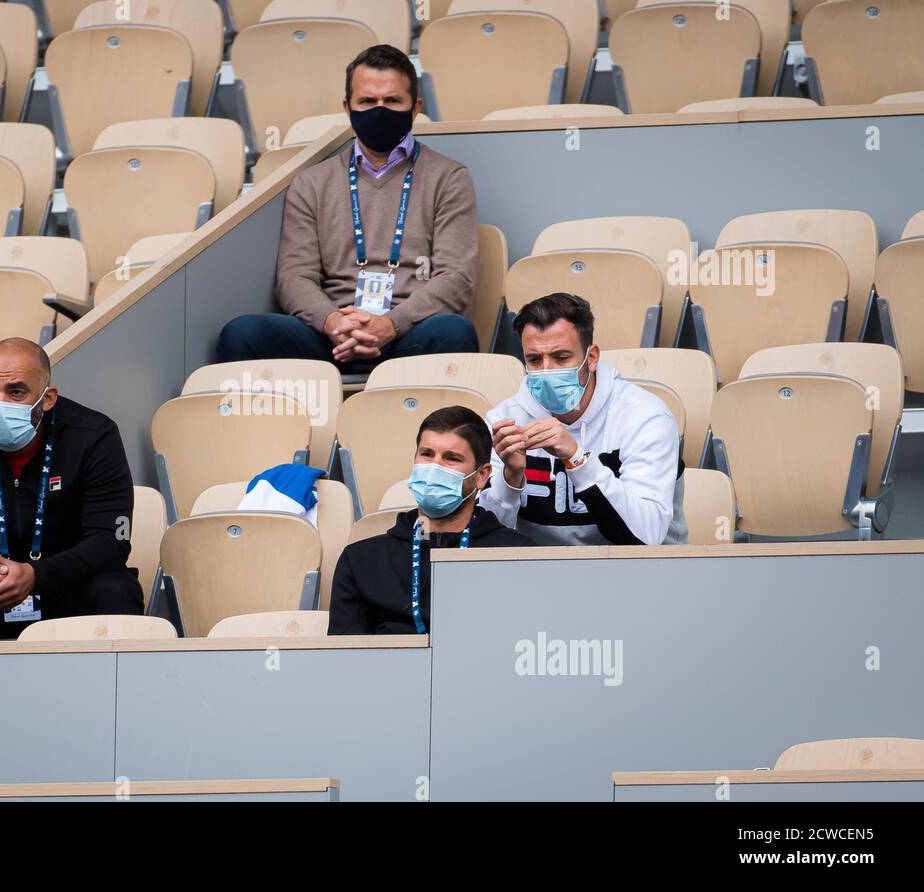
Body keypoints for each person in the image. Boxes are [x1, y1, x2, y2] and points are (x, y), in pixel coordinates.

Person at [216, 44, 480, 366]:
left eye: (392, 101)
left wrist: (390, 324)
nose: (380, 110)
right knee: (242, 334)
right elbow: (294, 277)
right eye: (367, 101)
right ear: (347, 107)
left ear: (415, 108)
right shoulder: (312, 183)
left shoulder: (449, 177)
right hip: (330, 335)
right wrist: (333, 323)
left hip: (409, 331)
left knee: (453, 331)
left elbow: (455, 278)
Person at [0, 338, 142, 640]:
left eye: (16, 392)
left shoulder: (94, 435)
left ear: (47, 398)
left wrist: (35, 575)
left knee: (116, 588)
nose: (0, 403)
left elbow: (110, 543)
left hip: (65, 583)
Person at [479, 293, 687, 545]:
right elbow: (484, 544)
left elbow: (646, 535)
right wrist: (510, 478)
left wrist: (577, 459)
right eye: (534, 359)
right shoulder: (505, 420)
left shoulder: (645, 417)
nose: (546, 371)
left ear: (592, 358)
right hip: (538, 567)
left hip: (636, 567)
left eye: (561, 357)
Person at [329, 407, 533, 635]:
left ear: (481, 475)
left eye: (451, 458)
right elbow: (347, 654)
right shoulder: (362, 560)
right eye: (426, 454)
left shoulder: (518, 556)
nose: (435, 468)